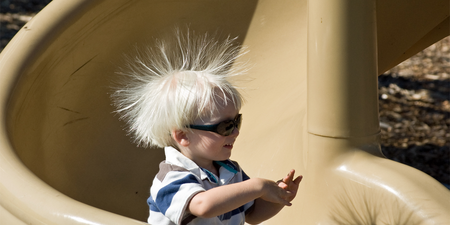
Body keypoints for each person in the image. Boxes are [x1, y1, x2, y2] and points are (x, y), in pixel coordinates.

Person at [112, 29, 302, 225]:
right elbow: (203, 206)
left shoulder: (230, 171)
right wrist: (258, 186)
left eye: (237, 122)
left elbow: (252, 215)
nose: (236, 132)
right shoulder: (171, 178)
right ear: (183, 135)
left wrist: (278, 197)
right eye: (226, 126)